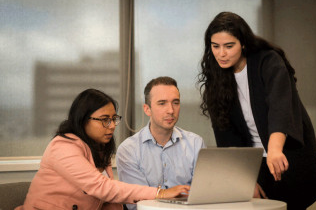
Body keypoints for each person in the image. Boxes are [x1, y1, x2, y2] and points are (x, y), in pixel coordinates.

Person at [197, 12, 316, 210]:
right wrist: (244, 181)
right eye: (215, 46)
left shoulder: (268, 61)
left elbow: (280, 106)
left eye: (229, 46)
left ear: (243, 44)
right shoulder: (216, 80)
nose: (221, 53)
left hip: (286, 153)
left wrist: (274, 148)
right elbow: (227, 137)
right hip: (255, 164)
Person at [16, 88, 189, 210]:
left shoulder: (98, 147)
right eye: (105, 119)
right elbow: (103, 188)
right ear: (83, 119)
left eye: (114, 118)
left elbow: (108, 200)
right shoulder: (62, 147)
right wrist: (161, 193)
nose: (112, 126)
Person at [116, 76, 205, 210]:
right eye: (162, 103)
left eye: (175, 102)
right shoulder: (128, 150)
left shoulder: (195, 143)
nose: (170, 110)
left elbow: (203, 195)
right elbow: (136, 203)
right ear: (147, 109)